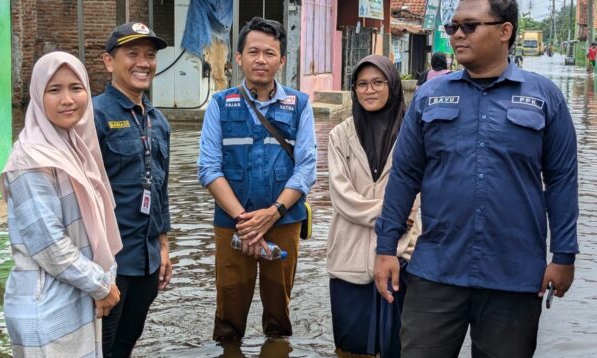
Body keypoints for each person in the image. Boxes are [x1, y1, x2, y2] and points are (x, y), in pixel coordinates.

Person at [374, 0, 579, 356]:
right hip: (436, 269)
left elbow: (561, 179)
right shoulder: (429, 96)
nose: (456, 36)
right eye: (453, 27)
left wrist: (563, 256)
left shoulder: (544, 97)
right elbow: (405, 174)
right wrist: (385, 248)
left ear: (504, 31)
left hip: (514, 275)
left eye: (469, 26)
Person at [197, 17, 317, 341]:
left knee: (279, 313)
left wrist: (272, 214)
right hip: (233, 225)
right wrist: (246, 222)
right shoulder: (220, 105)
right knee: (229, 316)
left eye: (269, 53)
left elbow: (307, 168)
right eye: (253, 52)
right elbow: (208, 168)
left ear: (282, 60)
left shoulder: (300, 105)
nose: (260, 60)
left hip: (284, 220)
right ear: (239, 58)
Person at [0, 51, 122, 356]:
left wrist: (103, 279)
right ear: (38, 97)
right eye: (54, 90)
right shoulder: (30, 159)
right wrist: (101, 285)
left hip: (75, 297)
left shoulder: (75, 148)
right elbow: (49, 244)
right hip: (46, 306)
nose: (67, 99)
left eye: (76, 88)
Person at [326, 54, 421, 357]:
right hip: (349, 256)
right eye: (362, 84)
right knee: (351, 346)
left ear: (392, 86)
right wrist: (390, 211)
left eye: (378, 82)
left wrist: (401, 219)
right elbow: (342, 196)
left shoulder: (415, 133)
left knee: (399, 345)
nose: (369, 90)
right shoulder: (340, 135)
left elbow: (422, 193)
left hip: (401, 253)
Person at [94, 22, 172, 356]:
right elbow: (83, 197)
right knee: (101, 346)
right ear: (109, 61)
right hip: (110, 264)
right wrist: (95, 270)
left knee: (127, 343)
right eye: (132, 54)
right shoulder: (92, 116)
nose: (143, 62)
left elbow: (161, 188)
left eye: (150, 55)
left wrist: (164, 245)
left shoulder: (158, 120)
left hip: (147, 262)